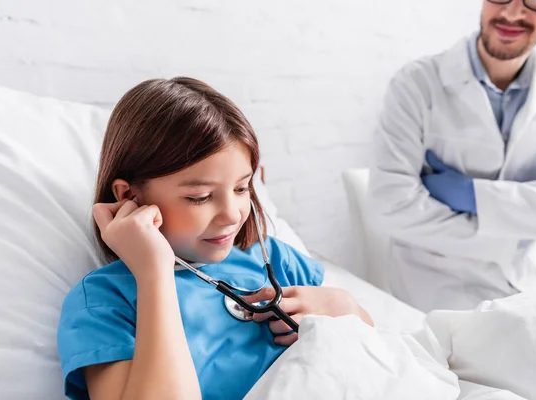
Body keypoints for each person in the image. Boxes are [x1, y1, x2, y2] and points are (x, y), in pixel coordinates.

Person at [57, 77, 373, 400]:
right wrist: (155, 273)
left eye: (241, 188)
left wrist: (344, 306)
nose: (233, 214)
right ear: (130, 197)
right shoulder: (104, 301)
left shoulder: (274, 260)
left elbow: (374, 358)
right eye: (201, 197)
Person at [367, 0, 536, 312]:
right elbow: (389, 207)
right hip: (439, 280)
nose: (513, 12)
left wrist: (473, 196)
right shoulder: (416, 84)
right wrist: (530, 216)